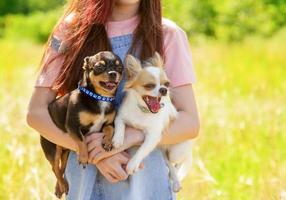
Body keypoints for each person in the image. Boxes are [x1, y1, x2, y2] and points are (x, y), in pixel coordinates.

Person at [26, 0, 200, 199]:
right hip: (85, 181)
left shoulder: (168, 34)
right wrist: (92, 152)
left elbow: (190, 123)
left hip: (145, 182)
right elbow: (36, 113)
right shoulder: (70, 29)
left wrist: (130, 137)